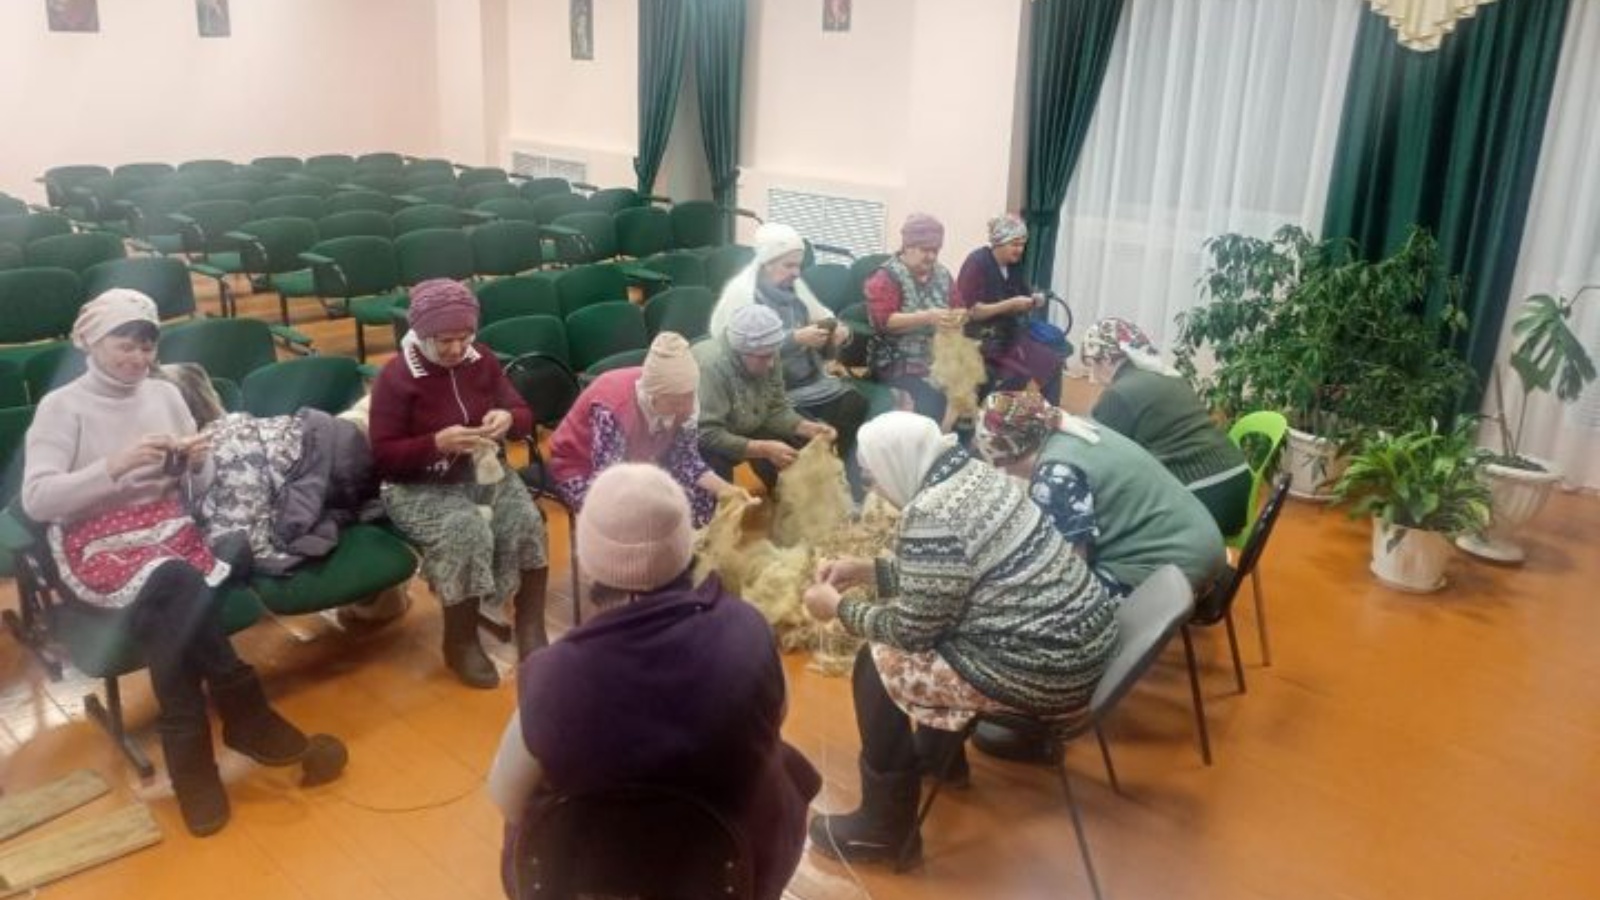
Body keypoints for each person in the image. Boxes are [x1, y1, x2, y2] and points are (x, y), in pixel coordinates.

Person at [21, 289, 338, 837]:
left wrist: (196, 463)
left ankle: (195, 768)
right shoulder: (62, 406)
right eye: (124, 345)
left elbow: (198, 487)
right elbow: (37, 500)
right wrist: (114, 466)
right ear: (92, 342)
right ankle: (245, 713)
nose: (138, 358)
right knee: (177, 578)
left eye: (147, 347)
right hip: (94, 544)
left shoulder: (165, 393)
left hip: (168, 529)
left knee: (169, 599)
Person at [488, 464, 820, 900]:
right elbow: (776, 715)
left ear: (588, 560)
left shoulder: (555, 674)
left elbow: (506, 797)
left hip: (594, 879)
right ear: (685, 545)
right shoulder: (747, 629)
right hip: (726, 871)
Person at [801, 412, 1118, 865]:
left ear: (896, 464)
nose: (876, 491)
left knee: (878, 663)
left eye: (873, 478)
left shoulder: (930, 514)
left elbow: (912, 630)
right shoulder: (973, 474)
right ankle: (938, 759)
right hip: (1082, 646)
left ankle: (883, 829)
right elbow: (953, 574)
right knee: (936, 634)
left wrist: (837, 608)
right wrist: (869, 570)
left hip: (1049, 673)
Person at [370, 279, 549, 688]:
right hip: (417, 486)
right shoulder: (396, 376)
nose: (455, 348)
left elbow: (523, 413)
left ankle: (530, 625)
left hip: (480, 473)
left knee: (526, 520)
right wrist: (434, 444)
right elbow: (382, 457)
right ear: (421, 333)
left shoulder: (481, 359)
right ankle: (460, 641)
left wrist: (509, 419)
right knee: (463, 530)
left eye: (464, 337)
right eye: (444, 340)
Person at [975, 390, 1227, 597]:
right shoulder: (1074, 427)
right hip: (1200, 543)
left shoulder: (1056, 473)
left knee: (1046, 603)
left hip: (1177, 567)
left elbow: (1070, 570)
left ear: (1006, 458)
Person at [712, 223, 867, 490]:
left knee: (855, 405)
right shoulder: (744, 295)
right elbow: (741, 351)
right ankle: (797, 497)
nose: (797, 273)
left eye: (798, 265)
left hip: (809, 379)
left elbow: (821, 318)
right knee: (801, 438)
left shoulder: (794, 289)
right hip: (766, 390)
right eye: (789, 265)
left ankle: (840, 479)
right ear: (767, 263)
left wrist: (835, 333)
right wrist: (795, 339)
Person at [548, 331, 746, 527]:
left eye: (690, 396)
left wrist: (726, 490)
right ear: (653, 396)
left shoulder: (684, 401)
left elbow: (685, 460)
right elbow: (609, 484)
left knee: (700, 500)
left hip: (640, 463)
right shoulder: (613, 409)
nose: (686, 408)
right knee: (632, 521)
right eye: (677, 402)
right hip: (583, 470)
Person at [1080, 317, 1253, 536]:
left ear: (1106, 358)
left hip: (1201, 502)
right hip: (1238, 487)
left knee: (1104, 517)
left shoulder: (1119, 393)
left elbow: (1092, 454)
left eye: (1091, 365)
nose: (1093, 377)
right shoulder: (1172, 377)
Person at [695, 305, 840, 493]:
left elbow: (775, 406)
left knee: (802, 453)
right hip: (709, 442)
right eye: (765, 357)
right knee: (740, 487)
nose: (771, 364)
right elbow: (707, 434)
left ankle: (790, 502)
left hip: (749, 423)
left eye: (774, 354)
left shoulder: (766, 351)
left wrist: (805, 427)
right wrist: (762, 449)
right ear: (741, 352)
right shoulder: (710, 367)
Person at [863, 214, 966, 426]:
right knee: (932, 398)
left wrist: (957, 318)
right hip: (895, 361)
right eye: (925, 250)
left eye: (935, 250)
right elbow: (883, 322)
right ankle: (925, 439)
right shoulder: (885, 276)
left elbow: (959, 307)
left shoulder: (942, 274)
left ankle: (945, 438)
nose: (931, 257)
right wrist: (928, 317)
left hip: (935, 358)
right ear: (907, 246)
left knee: (973, 382)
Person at [953, 214, 1067, 403]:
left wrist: (1033, 300)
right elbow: (969, 312)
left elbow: (1023, 294)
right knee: (1016, 374)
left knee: (1052, 364)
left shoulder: (1014, 267)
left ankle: (1051, 413)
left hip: (1009, 336)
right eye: (1014, 244)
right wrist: (1009, 305)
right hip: (980, 340)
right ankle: (993, 412)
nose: (1020, 250)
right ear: (999, 242)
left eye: (1022, 245)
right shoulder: (977, 263)